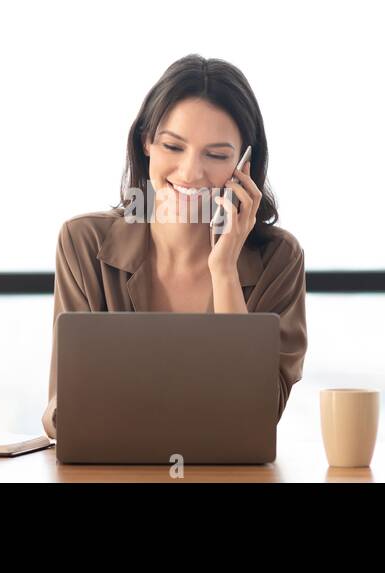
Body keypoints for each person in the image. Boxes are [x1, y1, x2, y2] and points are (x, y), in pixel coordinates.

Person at [41, 54, 306, 439]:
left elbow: (257, 417)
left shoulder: (278, 259)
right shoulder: (84, 243)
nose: (190, 173)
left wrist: (225, 268)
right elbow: (63, 418)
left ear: (244, 165)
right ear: (147, 141)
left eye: (216, 155)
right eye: (173, 146)